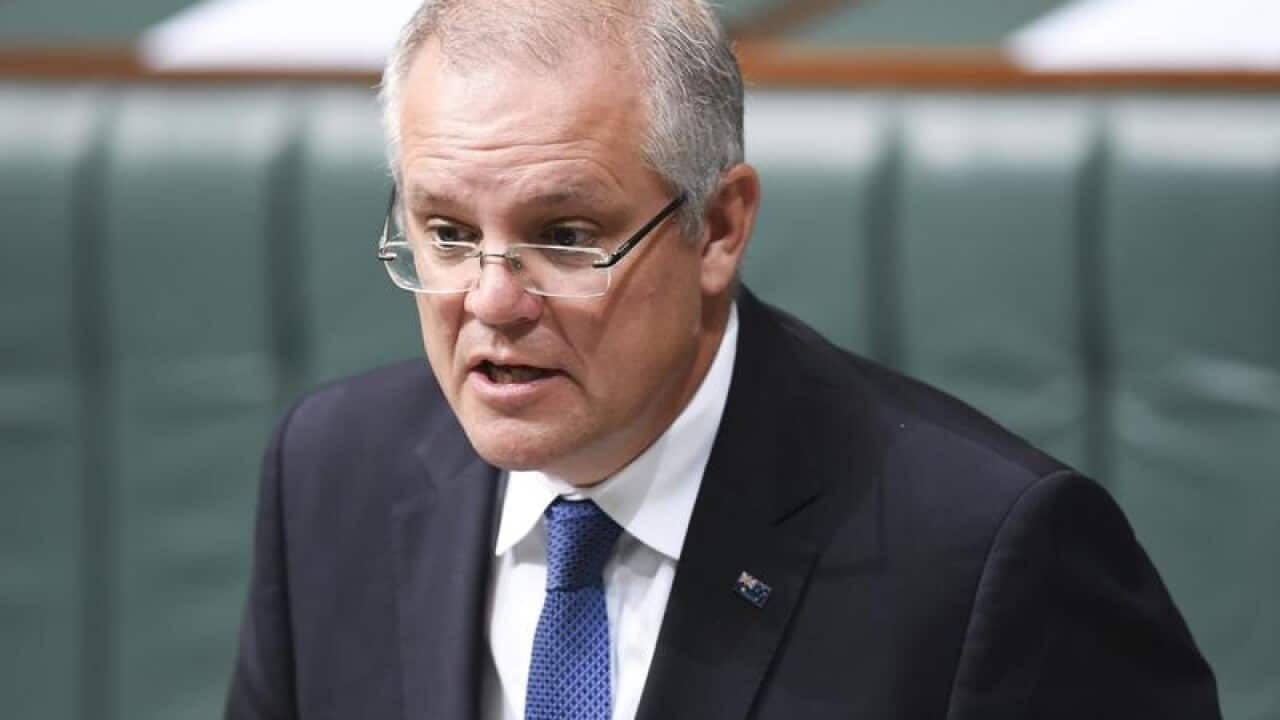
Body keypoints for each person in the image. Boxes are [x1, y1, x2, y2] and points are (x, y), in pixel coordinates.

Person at [226, 0, 1221, 717]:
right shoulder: (332, 475)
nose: (490, 300)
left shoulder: (985, 557)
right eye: (446, 231)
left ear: (718, 228)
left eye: (565, 236)